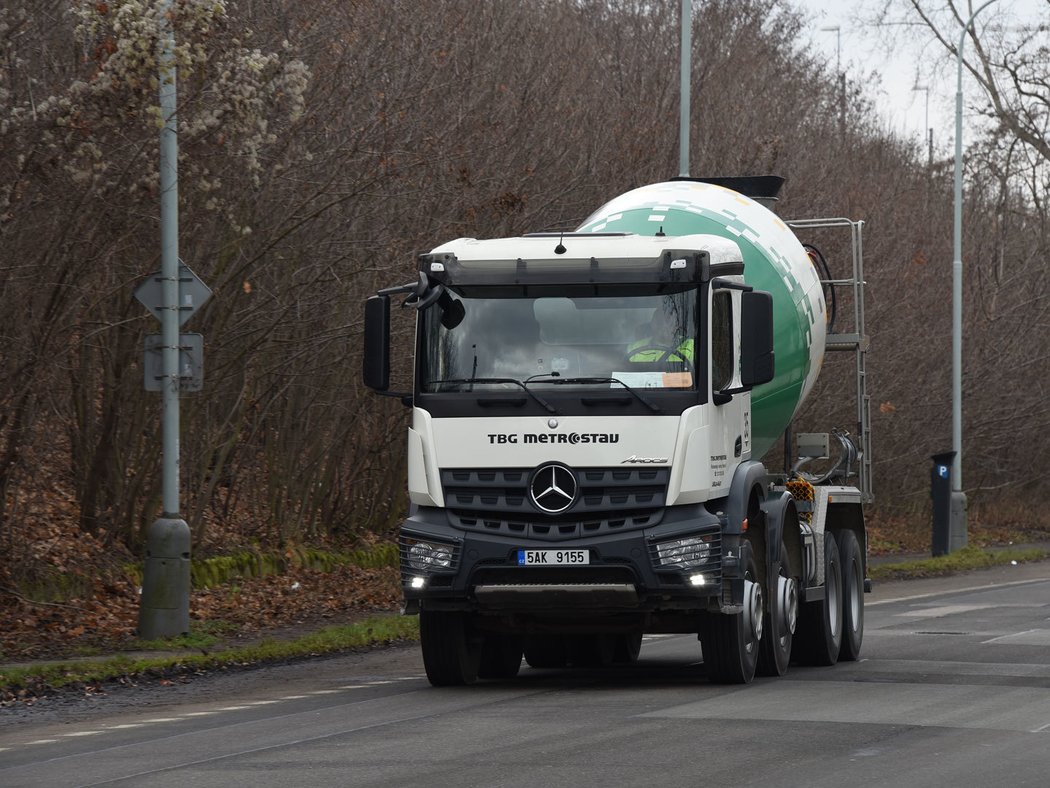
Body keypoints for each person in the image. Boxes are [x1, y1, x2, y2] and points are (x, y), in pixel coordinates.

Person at [626, 308, 694, 363]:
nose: (664, 326)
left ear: (676, 326)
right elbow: (626, 373)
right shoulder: (634, 347)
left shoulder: (691, 346)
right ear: (652, 324)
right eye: (659, 322)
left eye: (668, 322)